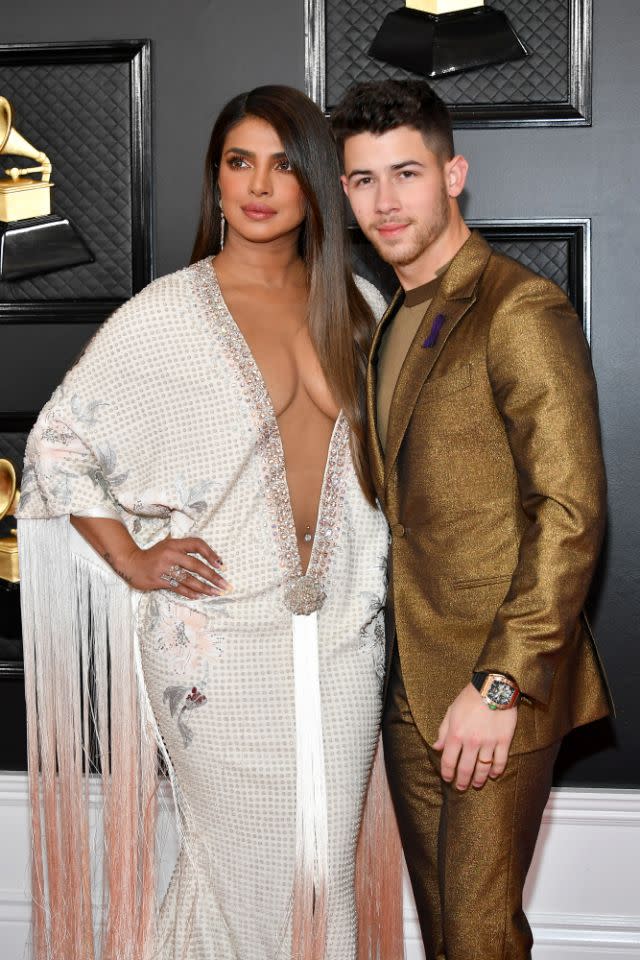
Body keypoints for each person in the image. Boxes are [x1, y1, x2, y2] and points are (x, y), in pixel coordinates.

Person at [17, 85, 403, 960]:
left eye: (283, 165)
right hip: (218, 645)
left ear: (316, 184)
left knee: (322, 879)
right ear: (215, 178)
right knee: (245, 871)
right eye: (238, 162)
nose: (258, 185)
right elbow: (57, 446)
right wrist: (135, 558)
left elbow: (398, 465)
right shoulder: (165, 315)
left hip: (345, 632)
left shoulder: (363, 307)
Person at [331, 79, 611, 960]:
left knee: (483, 939)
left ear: (454, 173)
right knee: (454, 938)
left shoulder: (519, 308)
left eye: (406, 173)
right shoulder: (389, 321)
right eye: (363, 179)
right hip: (409, 688)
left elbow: (570, 513)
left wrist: (503, 685)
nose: (385, 200)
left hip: (495, 686)